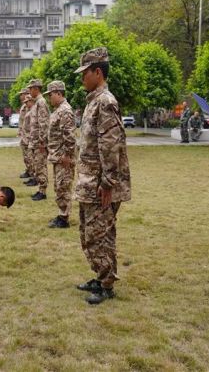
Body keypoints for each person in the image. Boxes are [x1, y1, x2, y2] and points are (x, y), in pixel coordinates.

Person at [73, 47, 131, 305]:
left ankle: (107, 284)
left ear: (98, 72)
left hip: (100, 185)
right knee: (89, 234)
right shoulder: (93, 101)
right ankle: (99, 274)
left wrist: (108, 183)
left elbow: (110, 145)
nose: (82, 77)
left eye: (85, 72)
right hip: (89, 183)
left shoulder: (105, 102)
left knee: (101, 235)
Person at [45, 80, 77, 228]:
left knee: (63, 187)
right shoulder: (58, 110)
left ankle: (64, 219)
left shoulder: (65, 111)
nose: (49, 98)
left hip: (64, 157)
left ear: (59, 93)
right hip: (58, 156)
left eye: (51, 94)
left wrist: (67, 155)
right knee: (59, 186)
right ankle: (61, 215)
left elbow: (69, 136)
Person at [27, 79, 50, 201]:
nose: (29, 91)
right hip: (35, 141)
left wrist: (42, 141)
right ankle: (40, 189)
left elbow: (44, 123)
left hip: (39, 142)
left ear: (36, 88)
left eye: (31, 88)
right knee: (37, 165)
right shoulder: (37, 103)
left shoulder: (41, 102)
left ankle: (43, 191)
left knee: (41, 165)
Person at [17, 88, 32, 179]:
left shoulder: (30, 105)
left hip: (29, 134)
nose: (20, 96)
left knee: (29, 155)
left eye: (22, 94)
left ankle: (32, 172)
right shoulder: (24, 105)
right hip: (24, 134)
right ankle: (28, 170)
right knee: (25, 154)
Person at [21, 95, 36, 185]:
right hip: (27, 138)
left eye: (27, 102)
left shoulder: (33, 111)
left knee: (32, 159)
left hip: (30, 139)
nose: (26, 104)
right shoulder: (30, 111)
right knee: (29, 158)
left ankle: (34, 177)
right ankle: (32, 176)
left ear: (31, 101)